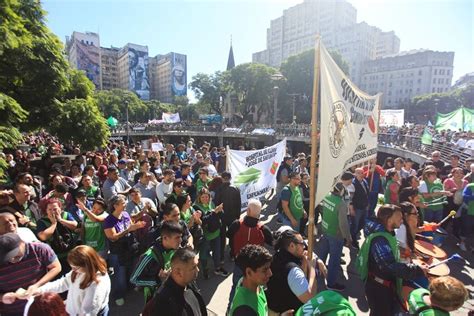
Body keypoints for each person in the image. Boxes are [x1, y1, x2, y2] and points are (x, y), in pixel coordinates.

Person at [357, 204, 428, 316]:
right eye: (399, 217)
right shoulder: (380, 239)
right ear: (389, 220)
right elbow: (389, 266)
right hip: (379, 289)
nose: (402, 219)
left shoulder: (388, 233)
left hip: (384, 285)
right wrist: (417, 270)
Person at [34, 245, 111, 316]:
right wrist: (40, 290)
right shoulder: (79, 271)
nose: (73, 270)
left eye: (75, 267)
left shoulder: (97, 284)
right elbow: (63, 283)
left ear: (87, 264)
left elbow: (88, 312)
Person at [227, 199, 273, 311]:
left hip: (239, 263)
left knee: (236, 286)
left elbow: (229, 235)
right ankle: (257, 307)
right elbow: (271, 241)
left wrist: (233, 251)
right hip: (256, 267)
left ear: (247, 210)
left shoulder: (236, 224)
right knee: (256, 287)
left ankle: (230, 308)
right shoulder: (263, 229)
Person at [0, 233, 61, 316]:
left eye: (14, 253)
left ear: (22, 243)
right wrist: (2, 297)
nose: (12, 259)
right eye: (7, 257)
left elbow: (56, 267)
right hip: (12, 312)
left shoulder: (39, 249)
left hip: (41, 308)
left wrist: (37, 285)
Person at [265, 230, 321, 314]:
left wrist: (304, 265)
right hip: (287, 312)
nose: (304, 247)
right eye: (302, 244)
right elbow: (309, 298)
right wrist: (312, 268)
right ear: (292, 246)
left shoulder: (277, 256)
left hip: (273, 308)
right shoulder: (293, 271)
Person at [103, 195, 146, 306]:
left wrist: (136, 226)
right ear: (115, 205)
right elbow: (112, 237)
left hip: (130, 249)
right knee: (120, 276)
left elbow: (131, 226)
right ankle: (118, 295)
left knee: (130, 271)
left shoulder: (126, 215)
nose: (126, 203)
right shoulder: (109, 221)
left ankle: (128, 289)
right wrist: (128, 230)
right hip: (118, 253)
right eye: (123, 202)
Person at [130, 220, 183, 303]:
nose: (180, 240)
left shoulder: (175, 248)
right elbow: (134, 279)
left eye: (181, 236)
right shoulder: (149, 256)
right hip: (155, 298)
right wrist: (158, 280)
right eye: (177, 237)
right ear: (165, 238)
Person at [145, 248, 207, 316]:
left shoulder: (190, 283)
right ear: (178, 272)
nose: (198, 270)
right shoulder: (163, 302)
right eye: (193, 267)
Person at [319, 182, 351, 291]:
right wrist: (348, 237)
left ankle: (317, 273)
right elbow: (343, 224)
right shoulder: (341, 203)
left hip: (325, 229)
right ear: (341, 191)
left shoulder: (327, 196)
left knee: (322, 254)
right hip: (336, 234)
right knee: (334, 260)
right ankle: (331, 283)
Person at [229, 244, 276, 316]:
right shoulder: (244, 311)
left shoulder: (256, 286)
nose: (270, 273)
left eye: (269, 268)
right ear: (249, 272)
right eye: (264, 270)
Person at [194, 188, 228, 278]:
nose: (205, 199)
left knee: (217, 252)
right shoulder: (196, 207)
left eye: (207, 197)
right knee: (204, 254)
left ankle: (217, 268)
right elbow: (203, 221)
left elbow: (219, 216)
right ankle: (205, 269)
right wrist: (214, 212)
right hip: (206, 236)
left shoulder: (211, 203)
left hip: (216, 233)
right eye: (203, 197)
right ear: (199, 198)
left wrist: (220, 211)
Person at [36, 199, 78, 272]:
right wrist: (54, 224)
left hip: (71, 253)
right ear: (46, 210)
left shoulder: (66, 215)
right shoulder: (41, 222)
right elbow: (43, 236)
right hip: (55, 256)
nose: (53, 211)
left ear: (60, 208)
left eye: (55, 209)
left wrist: (61, 220)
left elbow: (74, 225)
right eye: (50, 209)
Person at [213, 171, 241, 263]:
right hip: (233, 217)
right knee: (233, 236)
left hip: (221, 217)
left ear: (222, 178)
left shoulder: (219, 189)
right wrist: (237, 217)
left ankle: (221, 257)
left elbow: (216, 203)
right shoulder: (236, 188)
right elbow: (239, 205)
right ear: (230, 178)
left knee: (222, 237)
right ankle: (233, 254)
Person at [351, 168, 369, 249]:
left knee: (362, 223)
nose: (361, 174)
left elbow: (366, 193)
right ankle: (353, 240)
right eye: (359, 173)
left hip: (364, 207)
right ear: (355, 174)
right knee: (355, 224)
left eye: (362, 172)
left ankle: (353, 235)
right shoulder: (353, 184)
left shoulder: (364, 181)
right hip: (357, 208)